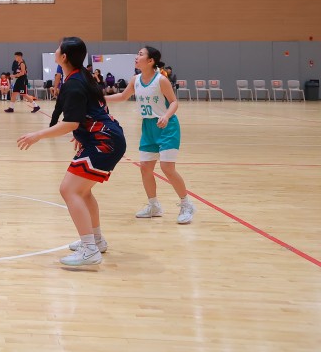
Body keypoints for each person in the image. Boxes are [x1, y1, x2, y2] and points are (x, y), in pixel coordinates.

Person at [17, 37, 127, 267]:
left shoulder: (75, 83)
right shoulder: (81, 76)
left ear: (64, 56)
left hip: (103, 141)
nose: (55, 51)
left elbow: (70, 124)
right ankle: (96, 240)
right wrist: (82, 134)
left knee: (68, 190)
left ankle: (89, 250)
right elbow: (93, 109)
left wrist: (37, 135)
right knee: (82, 192)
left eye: (58, 48)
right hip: (105, 137)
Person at [106, 46, 195, 224]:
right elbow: (123, 96)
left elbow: (174, 102)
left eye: (140, 54)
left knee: (167, 168)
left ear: (150, 60)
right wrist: (99, 98)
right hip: (148, 127)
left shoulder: (161, 80)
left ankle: (187, 204)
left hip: (167, 127)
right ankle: (154, 206)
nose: (136, 57)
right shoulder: (136, 79)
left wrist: (166, 116)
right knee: (145, 168)